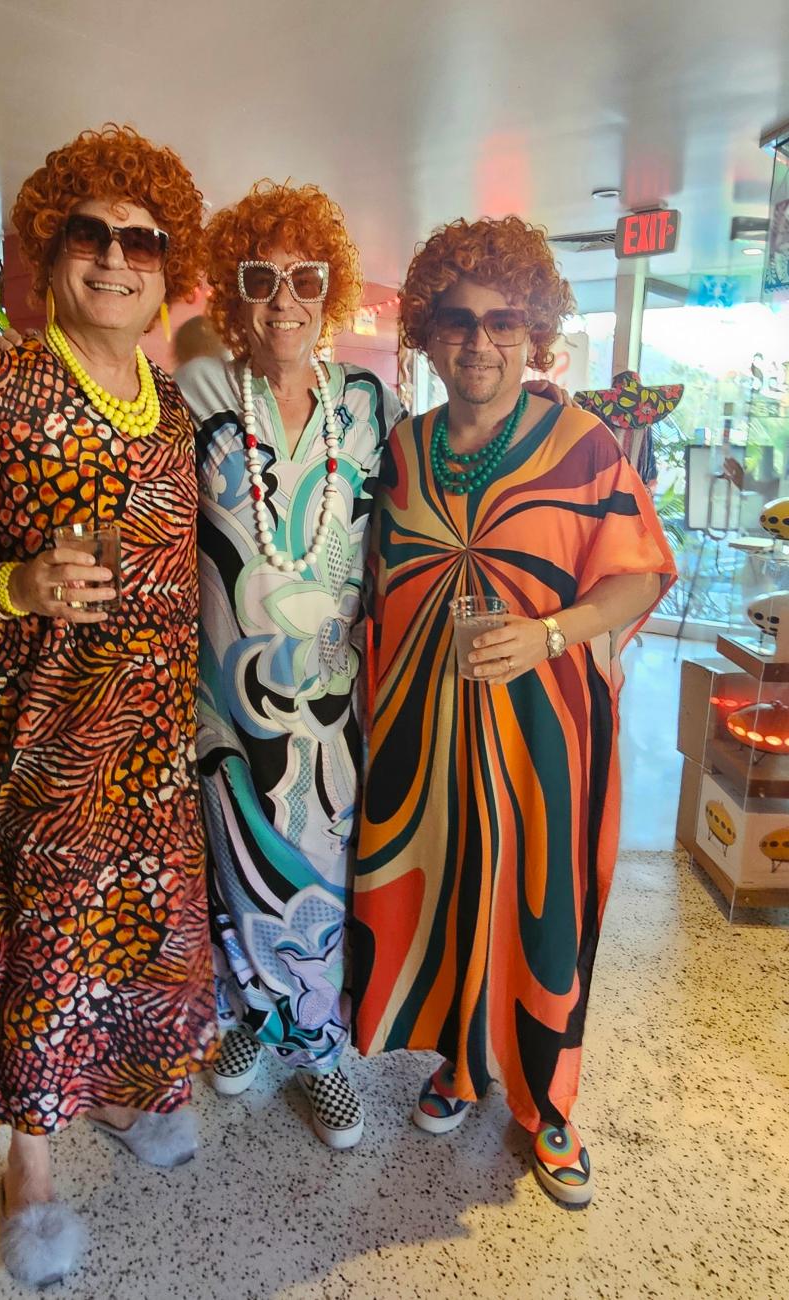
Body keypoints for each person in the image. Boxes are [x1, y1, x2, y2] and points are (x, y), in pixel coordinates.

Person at [0, 124, 216, 1288]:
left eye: (143, 240)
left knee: (144, 928)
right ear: (49, 248)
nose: (117, 258)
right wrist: (15, 584)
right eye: (91, 233)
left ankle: (130, 1093)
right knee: (48, 946)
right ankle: (30, 1166)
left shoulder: (171, 403)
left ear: (166, 266)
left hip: (157, 739)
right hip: (46, 743)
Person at [352, 217, 675, 1206]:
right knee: (454, 894)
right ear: (427, 332)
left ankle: (548, 1105)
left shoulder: (582, 446)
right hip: (428, 733)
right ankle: (461, 1066)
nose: (479, 342)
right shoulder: (404, 449)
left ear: (533, 333)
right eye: (457, 320)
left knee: (543, 911)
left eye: (502, 322)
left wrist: (550, 634)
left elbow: (641, 573)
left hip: (543, 735)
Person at [177, 182, 403, 1149]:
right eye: (259, 278)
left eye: (305, 277)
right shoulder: (201, 394)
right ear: (234, 293)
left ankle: (321, 1054)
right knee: (229, 873)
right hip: (224, 703)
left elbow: (406, 534)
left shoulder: (368, 404)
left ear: (331, 289)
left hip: (327, 708)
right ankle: (247, 1021)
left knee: (319, 878)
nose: (284, 299)